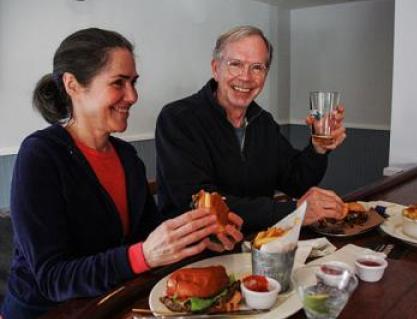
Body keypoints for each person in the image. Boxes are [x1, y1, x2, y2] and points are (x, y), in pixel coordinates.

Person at [0, 28, 243, 319]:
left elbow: (148, 237)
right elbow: (54, 279)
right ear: (73, 85)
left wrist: (199, 235)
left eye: (133, 82)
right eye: (119, 83)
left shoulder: (127, 158)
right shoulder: (40, 156)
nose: (133, 96)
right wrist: (144, 254)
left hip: (112, 303)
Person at [155, 25, 347, 233]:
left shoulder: (263, 122)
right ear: (215, 68)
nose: (246, 77)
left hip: (257, 246)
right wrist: (294, 211)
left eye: (257, 67)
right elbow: (203, 204)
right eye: (235, 64)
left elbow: (297, 182)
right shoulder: (178, 118)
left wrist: (318, 147)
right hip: (197, 251)